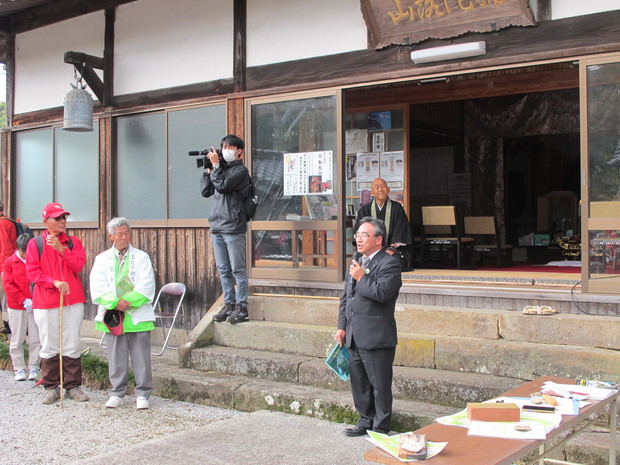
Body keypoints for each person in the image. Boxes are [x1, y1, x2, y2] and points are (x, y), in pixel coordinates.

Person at [336, 217, 402, 437]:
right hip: (353, 333)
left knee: (379, 384)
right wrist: (341, 326)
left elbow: (382, 294)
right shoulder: (356, 262)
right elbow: (346, 297)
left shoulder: (389, 263)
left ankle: (381, 426)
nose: (359, 239)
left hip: (376, 335)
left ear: (379, 239)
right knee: (359, 382)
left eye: (364, 235)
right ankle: (365, 419)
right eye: (357, 235)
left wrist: (362, 277)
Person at [90, 218, 156, 410]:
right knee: (116, 355)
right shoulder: (101, 259)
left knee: (141, 355)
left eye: (127, 233)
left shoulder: (141, 257)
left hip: (136, 312)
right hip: (114, 313)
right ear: (111, 235)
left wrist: (130, 302)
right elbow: (98, 286)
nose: (124, 237)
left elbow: (147, 284)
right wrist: (115, 302)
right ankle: (117, 392)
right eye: (120, 233)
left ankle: (143, 393)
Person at [26, 202, 88, 404]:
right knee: (49, 343)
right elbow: (33, 273)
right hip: (45, 300)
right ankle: (51, 387)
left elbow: (78, 265)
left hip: (73, 298)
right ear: (46, 221)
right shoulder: (35, 243)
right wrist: (53, 282)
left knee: (72, 342)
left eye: (64, 218)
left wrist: (62, 249)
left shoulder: (73, 242)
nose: (62, 221)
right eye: (57, 218)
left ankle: (72, 386)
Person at [200, 134, 252, 324]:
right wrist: (208, 169)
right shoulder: (220, 170)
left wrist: (215, 167)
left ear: (239, 151)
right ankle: (229, 305)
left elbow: (222, 186)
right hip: (217, 225)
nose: (225, 151)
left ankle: (242, 307)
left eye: (229, 147)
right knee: (224, 269)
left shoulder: (241, 171)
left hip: (233, 226)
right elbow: (206, 191)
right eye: (223, 147)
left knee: (237, 269)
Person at [3, 233, 41, 381]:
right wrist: (23, 300)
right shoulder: (9, 262)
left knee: (35, 338)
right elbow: (8, 284)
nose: (25, 254)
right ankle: (18, 368)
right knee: (17, 338)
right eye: (23, 251)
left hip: (35, 304)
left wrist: (34, 300)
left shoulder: (35, 260)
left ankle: (34, 367)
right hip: (16, 305)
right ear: (18, 248)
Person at [353, 178, 413, 270]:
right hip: (370, 249)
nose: (380, 189)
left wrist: (392, 249)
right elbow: (360, 233)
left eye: (383, 186)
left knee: (392, 261)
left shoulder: (397, 208)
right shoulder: (365, 210)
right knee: (360, 259)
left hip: (391, 250)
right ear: (372, 192)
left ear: (388, 190)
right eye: (377, 187)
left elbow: (401, 230)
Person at [0, 201, 18, 333]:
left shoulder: (2, 224)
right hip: (11, 265)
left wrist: (3, 269)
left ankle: (2, 330)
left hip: (5, 267)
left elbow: (5, 249)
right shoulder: (8, 221)